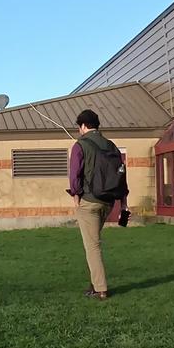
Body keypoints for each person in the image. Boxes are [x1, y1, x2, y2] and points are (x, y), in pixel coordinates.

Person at [67, 109, 130, 300]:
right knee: (94, 243)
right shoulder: (112, 146)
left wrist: (76, 198)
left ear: (83, 126)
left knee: (92, 247)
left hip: (89, 202)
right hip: (108, 202)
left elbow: (74, 175)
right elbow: (122, 175)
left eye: (79, 127)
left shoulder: (80, 145)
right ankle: (95, 284)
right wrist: (123, 203)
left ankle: (101, 289)